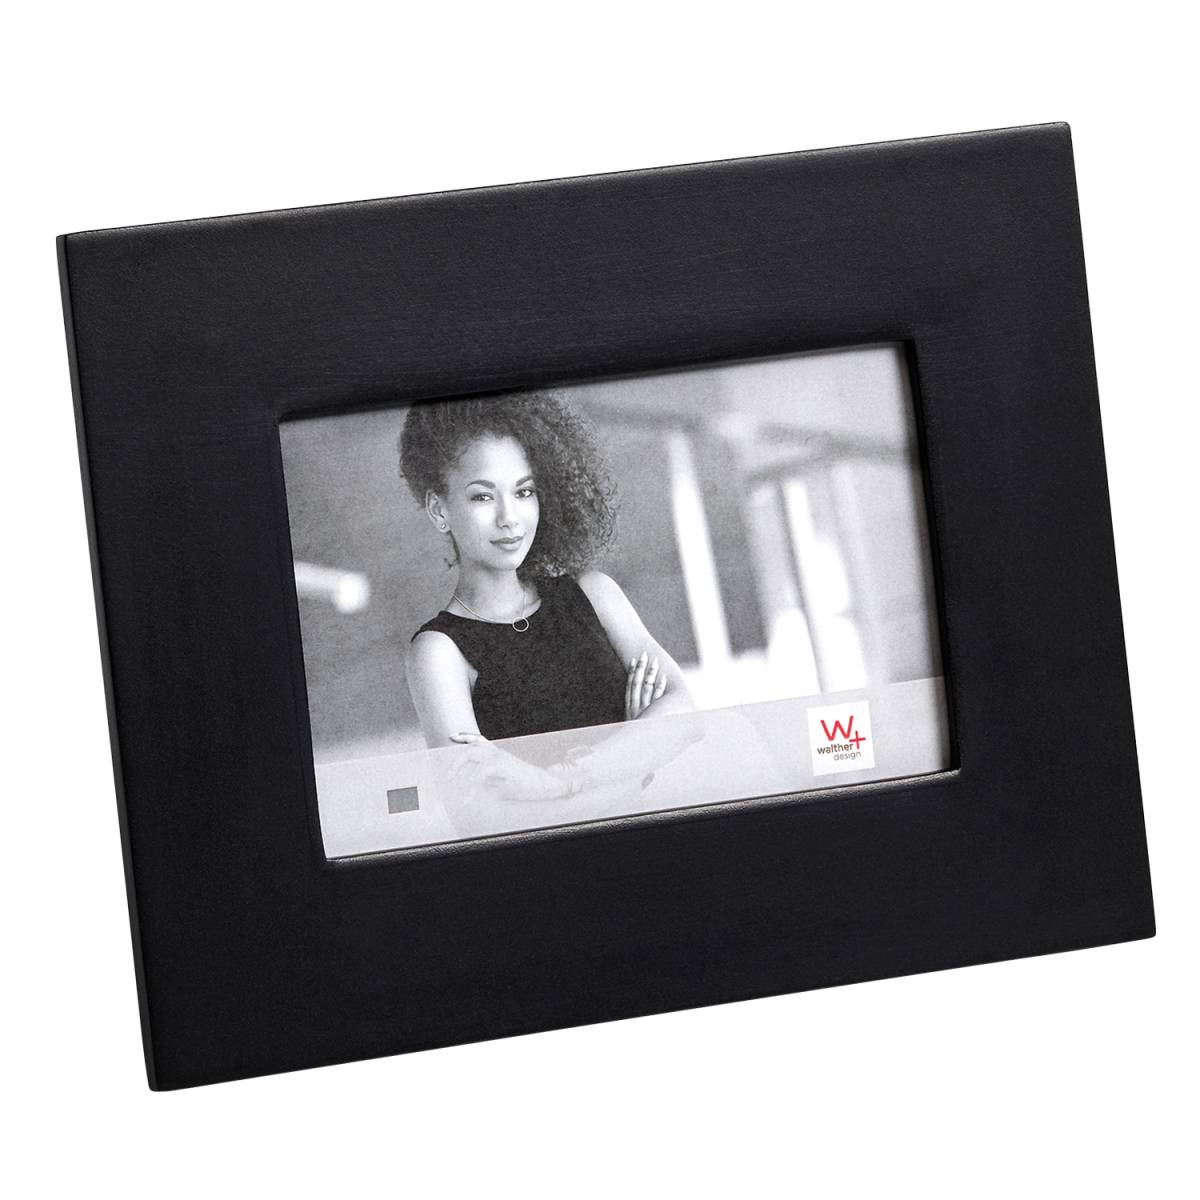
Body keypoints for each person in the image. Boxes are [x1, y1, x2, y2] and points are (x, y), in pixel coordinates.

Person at [400, 391, 695, 801]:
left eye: (524, 492)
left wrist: (555, 782)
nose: (509, 518)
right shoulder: (439, 652)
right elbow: (478, 819)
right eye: (482, 496)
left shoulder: (593, 594)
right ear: (439, 509)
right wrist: (632, 763)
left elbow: (685, 714)